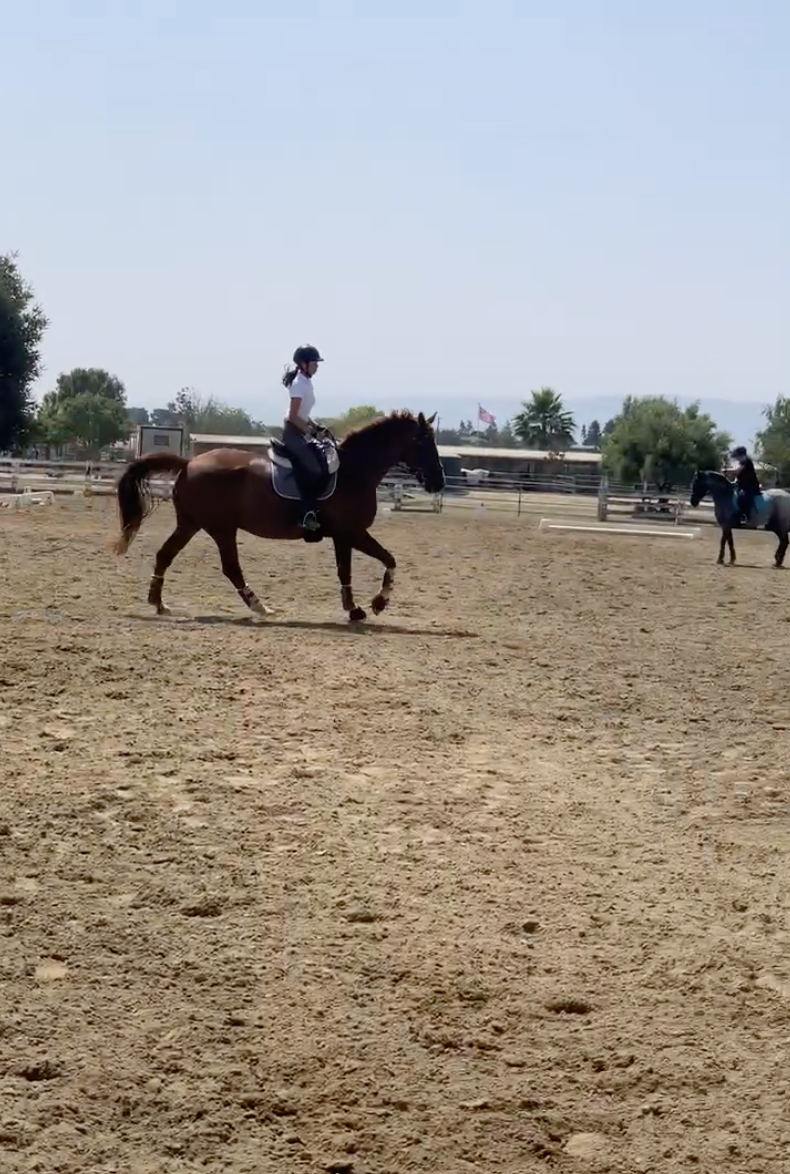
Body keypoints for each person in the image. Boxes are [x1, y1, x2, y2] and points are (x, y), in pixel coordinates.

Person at [280, 344, 328, 538]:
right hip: (293, 433)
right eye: (314, 363)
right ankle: (305, 514)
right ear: (303, 364)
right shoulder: (299, 384)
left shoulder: (306, 382)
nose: (317, 366)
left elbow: (303, 413)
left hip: (300, 429)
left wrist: (316, 426)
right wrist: (310, 431)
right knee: (314, 469)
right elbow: (293, 416)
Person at [730, 445, 761, 523]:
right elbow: (738, 476)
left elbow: (738, 471)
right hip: (742, 485)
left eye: (737, 456)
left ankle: (744, 515)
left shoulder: (746, 461)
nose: (736, 458)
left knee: (743, 495)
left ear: (742, 455)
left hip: (751, 486)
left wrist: (728, 471)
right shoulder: (742, 462)